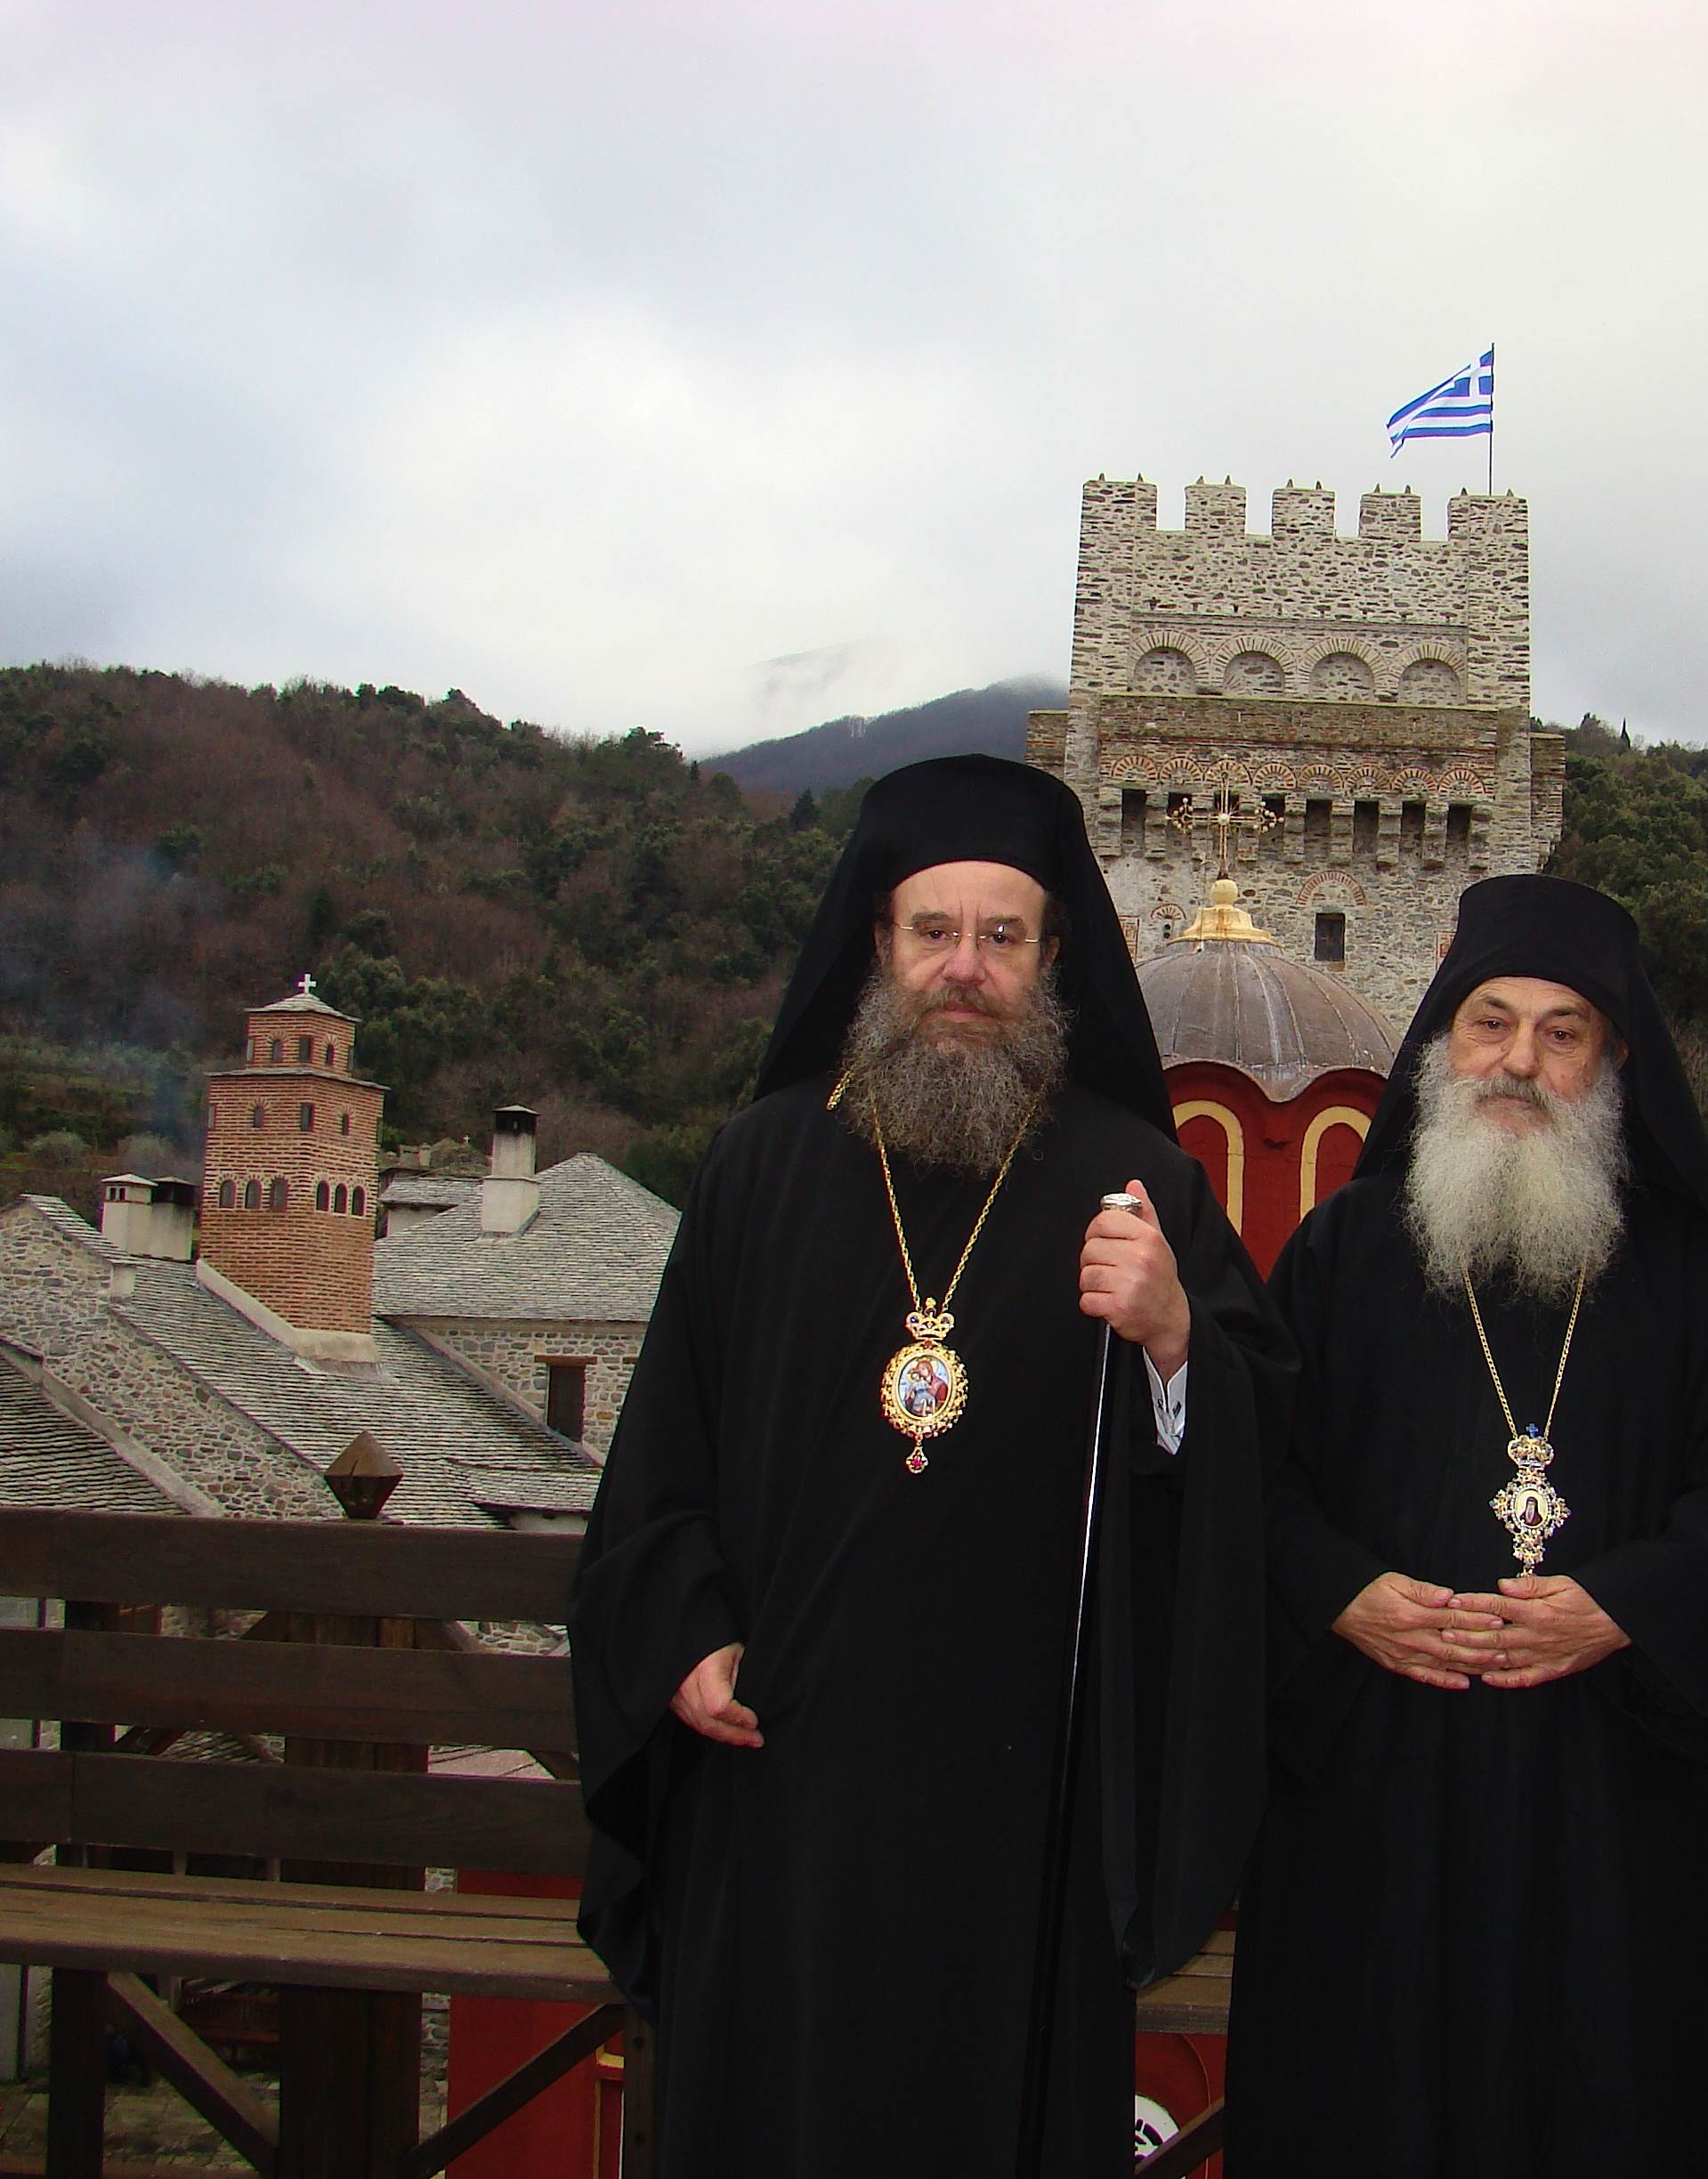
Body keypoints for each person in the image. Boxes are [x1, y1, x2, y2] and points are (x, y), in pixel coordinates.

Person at [570, 756, 1291, 2176]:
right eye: (935, 932)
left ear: (1052, 956)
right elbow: (659, 1460)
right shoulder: (759, 1170)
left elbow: (1260, 1455)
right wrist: (683, 1630)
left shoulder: (1140, 1181)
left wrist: (1174, 1337)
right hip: (782, 1779)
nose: (966, 968)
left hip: (1025, 1806)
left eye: (1002, 936)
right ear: (879, 944)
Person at [1228, 872, 1708, 2177]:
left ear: (1612, 1063)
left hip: (1609, 1800)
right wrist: (1341, 1592)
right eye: (1490, 1022)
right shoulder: (1344, 1251)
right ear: (1441, 1044)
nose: (1518, 1061)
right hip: (1374, 1786)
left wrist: (1623, 1605)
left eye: (1561, 1033)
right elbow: (1248, 1479)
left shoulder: (1686, 1273)